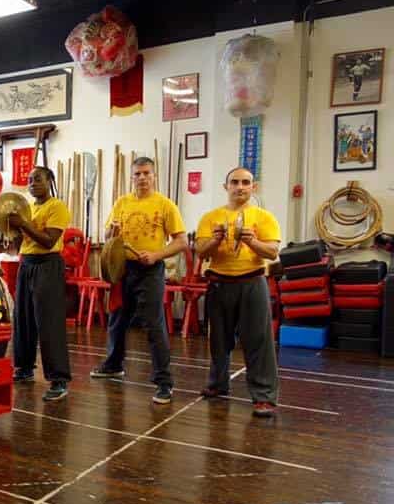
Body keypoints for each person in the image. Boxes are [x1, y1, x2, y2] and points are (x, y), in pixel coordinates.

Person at [89, 156, 187, 404]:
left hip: (150, 270)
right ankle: (113, 365)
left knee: (153, 325)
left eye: (146, 173)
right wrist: (113, 232)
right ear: (131, 177)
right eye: (137, 174)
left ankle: (164, 382)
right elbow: (108, 234)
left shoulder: (165, 205)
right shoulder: (122, 202)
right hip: (123, 268)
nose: (142, 178)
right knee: (117, 319)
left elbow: (181, 241)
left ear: (154, 176)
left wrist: (156, 255)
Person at [194, 167, 281, 417]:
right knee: (218, 341)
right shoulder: (210, 218)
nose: (240, 187)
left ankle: (263, 397)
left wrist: (252, 241)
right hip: (219, 284)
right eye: (235, 182)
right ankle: (218, 384)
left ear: (254, 187)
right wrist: (215, 240)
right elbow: (201, 252)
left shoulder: (264, 218)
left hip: (252, 283)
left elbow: (273, 252)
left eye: (246, 182)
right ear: (226, 187)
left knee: (258, 341)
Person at [9, 166, 72, 401]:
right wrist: (13, 228)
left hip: (48, 264)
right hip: (27, 264)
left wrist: (23, 223)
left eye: (37, 179)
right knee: (23, 318)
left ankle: (59, 379)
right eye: (29, 180)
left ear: (50, 181)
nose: (32, 183)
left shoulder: (57, 207)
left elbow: (48, 241)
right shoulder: (29, 208)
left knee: (49, 322)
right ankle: (24, 368)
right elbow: (21, 243)